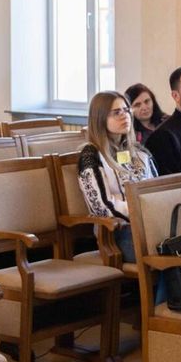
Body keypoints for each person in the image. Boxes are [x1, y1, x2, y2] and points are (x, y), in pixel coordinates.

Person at [74, 91, 157, 264]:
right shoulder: (90, 155)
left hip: (150, 223)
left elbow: (158, 189)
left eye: (126, 110)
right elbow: (103, 207)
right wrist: (143, 211)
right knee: (165, 253)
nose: (124, 116)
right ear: (100, 118)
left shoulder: (140, 152)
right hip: (117, 233)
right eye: (116, 112)